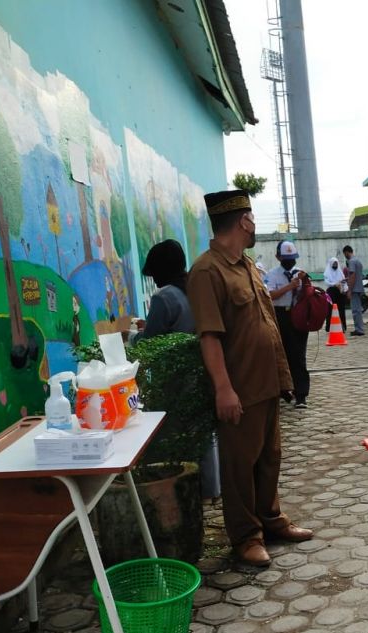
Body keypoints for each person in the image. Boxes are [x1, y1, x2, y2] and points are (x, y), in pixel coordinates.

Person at [187, 190, 313, 567]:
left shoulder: (245, 266)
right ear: (243, 221)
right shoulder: (208, 271)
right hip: (240, 387)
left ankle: (271, 520)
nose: (255, 224)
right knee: (240, 465)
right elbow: (210, 335)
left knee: (269, 456)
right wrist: (223, 389)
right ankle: (245, 537)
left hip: (267, 382)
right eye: (253, 218)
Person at [133, 238, 220, 501]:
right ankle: (211, 488)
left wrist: (134, 336)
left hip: (175, 379)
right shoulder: (198, 289)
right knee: (204, 434)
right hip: (203, 371)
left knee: (174, 435)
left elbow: (150, 343)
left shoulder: (164, 297)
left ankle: (179, 493)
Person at [264, 241, 310, 409]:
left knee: (298, 356)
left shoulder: (301, 274)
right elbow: (269, 295)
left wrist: (305, 283)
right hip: (280, 315)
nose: (290, 261)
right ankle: (283, 390)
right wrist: (289, 286)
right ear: (278, 257)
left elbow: (309, 297)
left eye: (292, 258)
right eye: (286, 258)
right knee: (281, 354)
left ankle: (301, 395)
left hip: (298, 316)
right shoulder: (272, 274)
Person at [342, 245, 365, 335]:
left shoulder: (351, 261)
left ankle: (359, 329)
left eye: (345, 254)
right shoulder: (358, 261)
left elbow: (353, 275)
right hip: (360, 287)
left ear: (347, 252)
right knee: (358, 309)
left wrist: (349, 290)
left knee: (356, 310)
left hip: (355, 289)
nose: (345, 256)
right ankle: (360, 328)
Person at [322, 256, 347, 332]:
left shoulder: (340, 272)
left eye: (336, 263)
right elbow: (327, 282)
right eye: (334, 264)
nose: (335, 265)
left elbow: (344, 282)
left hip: (340, 293)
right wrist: (335, 284)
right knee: (330, 310)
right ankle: (329, 327)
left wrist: (345, 289)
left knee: (341, 310)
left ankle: (343, 327)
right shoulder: (327, 273)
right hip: (331, 292)